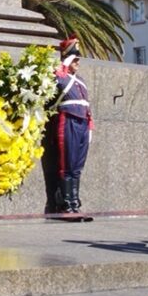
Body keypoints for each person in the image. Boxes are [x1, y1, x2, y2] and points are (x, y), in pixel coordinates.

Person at [42, 36, 94, 214]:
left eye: (78, 59)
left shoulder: (81, 81)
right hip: (68, 120)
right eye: (75, 59)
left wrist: (90, 127)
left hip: (82, 123)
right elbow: (51, 90)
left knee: (78, 164)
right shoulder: (59, 77)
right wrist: (62, 68)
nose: (78, 62)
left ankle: (74, 201)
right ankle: (65, 201)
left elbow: (86, 105)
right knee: (67, 162)